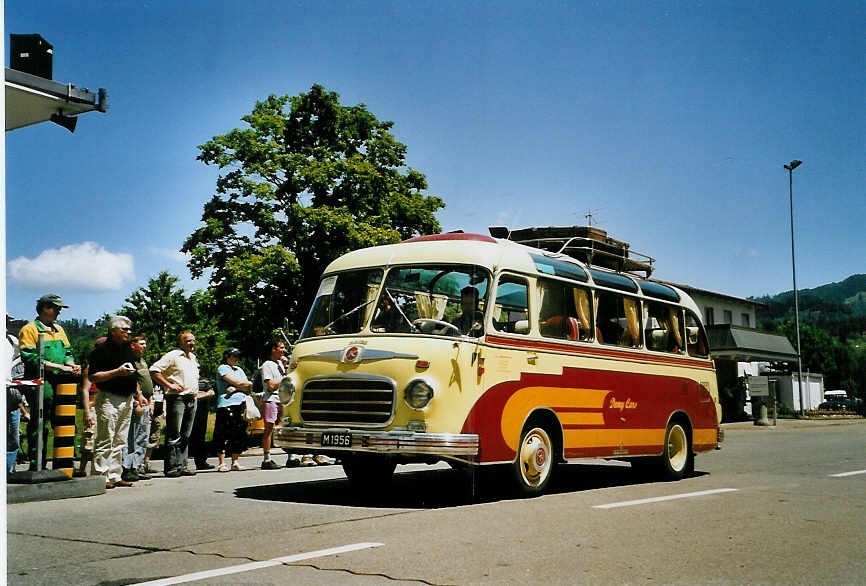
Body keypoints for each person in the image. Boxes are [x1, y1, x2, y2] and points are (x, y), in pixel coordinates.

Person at [18, 294, 82, 469]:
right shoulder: (29, 329)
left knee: (64, 420)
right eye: (56, 308)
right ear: (45, 308)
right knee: (40, 422)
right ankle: (37, 463)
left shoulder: (59, 330)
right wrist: (60, 367)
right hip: (40, 381)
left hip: (61, 382)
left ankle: (64, 463)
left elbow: (67, 352)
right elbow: (31, 358)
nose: (59, 311)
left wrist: (72, 365)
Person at [89, 316, 144, 489]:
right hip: (109, 398)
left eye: (129, 329)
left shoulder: (127, 349)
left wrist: (138, 394)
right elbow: (94, 376)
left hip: (127, 399)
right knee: (106, 438)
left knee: (120, 440)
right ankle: (101, 475)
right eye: (124, 329)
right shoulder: (101, 350)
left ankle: (115, 474)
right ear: (113, 331)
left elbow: (133, 373)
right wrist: (117, 372)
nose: (128, 332)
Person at [150, 331, 200, 478]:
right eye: (188, 341)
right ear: (181, 342)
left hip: (191, 398)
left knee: (186, 434)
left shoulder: (193, 358)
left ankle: (182, 465)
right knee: (174, 433)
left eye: (193, 340)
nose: (192, 343)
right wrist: (169, 385)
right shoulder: (173, 355)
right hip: (177, 398)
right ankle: (171, 467)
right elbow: (154, 370)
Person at [121, 336, 154, 482]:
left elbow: (147, 382)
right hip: (136, 402)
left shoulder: (142, 361)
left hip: (146, 402)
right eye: (141, 344)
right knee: (131, 437)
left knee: (143, 436)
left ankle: (137, 466)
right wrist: (136, 402)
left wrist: (151, 401)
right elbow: (131, 382)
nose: (144, 346)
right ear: (133, 345)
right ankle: (127, 468)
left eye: (145, 343)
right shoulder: (129, 360)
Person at [213, 348, 251, 472]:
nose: (236, 358)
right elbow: (239, 383)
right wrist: (239, 386)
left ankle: (235, 461)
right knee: (223, 433)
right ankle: (221, 462)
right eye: (233, 356)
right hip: (226, 404)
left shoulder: (239, 370)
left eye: (237, 356)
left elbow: (247, 385)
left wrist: (236, 388)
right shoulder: (222, 368)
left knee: (239, 433)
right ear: (227, 357)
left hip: (240, 403)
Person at [259, 339, 287, 469]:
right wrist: (284, 379)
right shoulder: (267, 365)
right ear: (273, 349)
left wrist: (286, 368)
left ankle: (291, 457)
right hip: (271, 399)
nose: (283, 350)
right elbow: (270, 386)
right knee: (269, 428)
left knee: (286, 427)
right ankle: (267, 458)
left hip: (282, 399)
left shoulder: (281, 365)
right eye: (281, 348)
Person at [189, 378, 216, 471]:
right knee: (186, 436)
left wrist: (199, 395)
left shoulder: (204, 381)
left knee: (200, 436)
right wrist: (205, 394)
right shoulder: (187, 379)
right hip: (189, 410)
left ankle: (201, 462)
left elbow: (212, 392)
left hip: (202, 412)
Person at [7, 385, 29, 475]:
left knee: (14, 438)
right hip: (12, 407)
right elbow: (15, 397)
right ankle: (9, 469)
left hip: (14, 408)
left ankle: (10, 467)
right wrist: (25, 413)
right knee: (14, 439)